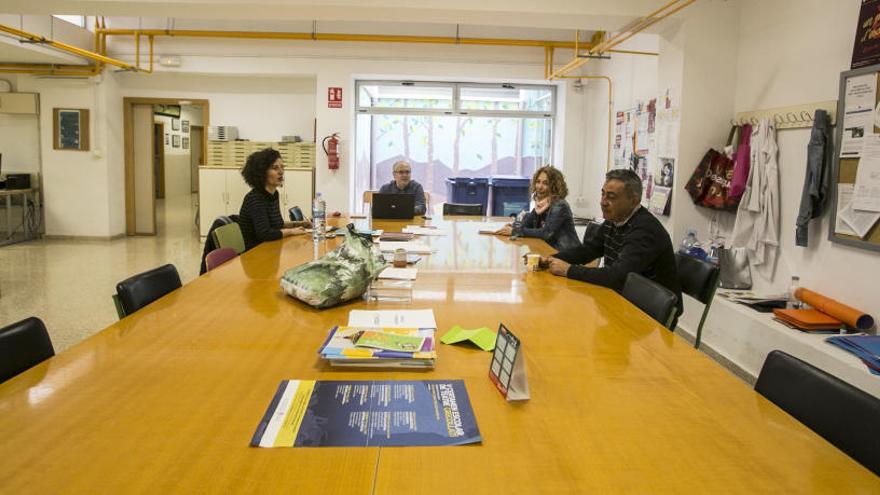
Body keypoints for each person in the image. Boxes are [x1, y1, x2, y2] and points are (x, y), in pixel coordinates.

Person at [543, 168, 683, 323]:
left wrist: (569, 270)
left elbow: (617, 277)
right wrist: (551, 258)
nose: (603, 202)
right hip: (624, 298)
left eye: (611, 197)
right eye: (602, 194)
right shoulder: (615, 218)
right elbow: (589, 250)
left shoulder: (644, 229)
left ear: (634, 200)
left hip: (650, 314)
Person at [238, 148, 311, 251]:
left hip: (271, 248)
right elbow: (265, 234)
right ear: (262, 172)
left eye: (282, 167)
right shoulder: (255, 198)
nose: (281, 172)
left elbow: (278, 224)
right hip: (255, 253)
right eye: (275, 168)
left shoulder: (273, 194)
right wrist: (291, 231)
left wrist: (301, 224)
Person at [494, 165, 580, 251]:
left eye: (545, 183)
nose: (539, 187)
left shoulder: (560, 205)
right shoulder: (541, 204)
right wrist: (512, 227)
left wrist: (514, 231)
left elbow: (546, 233)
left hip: (568, 254)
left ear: (554, 187)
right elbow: (526, 225)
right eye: (538, 182)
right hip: (550, 250)